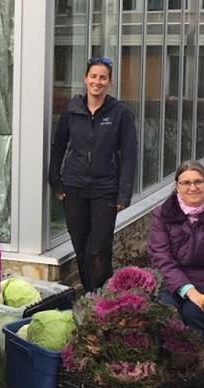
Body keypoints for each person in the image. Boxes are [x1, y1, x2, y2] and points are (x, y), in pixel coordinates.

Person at [48, 56, 139, 292]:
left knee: (98, 247)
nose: (97, 82)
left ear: (110, 82)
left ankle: (102, 297)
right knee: (80, 245)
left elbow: (129, 155)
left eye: (103, 78)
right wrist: (56, 182)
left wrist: (123, 194)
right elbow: (58, 146)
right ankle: (90, 296)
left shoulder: (120, 113)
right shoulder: (72, 109)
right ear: (85, 79)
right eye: (93, 76)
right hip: (74, 186)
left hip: (105, 188)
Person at [146, 161, 204, 349]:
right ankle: (168, 362)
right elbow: (161, 258)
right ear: (176, 186)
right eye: (186, 182)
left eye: (199, 181)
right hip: (169, 281)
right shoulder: (162, 216)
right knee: (166, 311)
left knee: (194, 313)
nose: (193, 187)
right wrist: (189, 291)